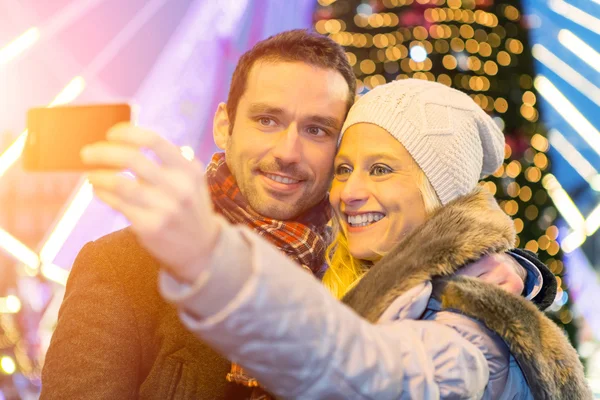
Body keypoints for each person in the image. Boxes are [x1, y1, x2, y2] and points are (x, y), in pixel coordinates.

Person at [41, 30, 554, 399]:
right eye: (267, 120)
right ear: (224, 125)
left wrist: (510, 271)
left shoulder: (359, 259)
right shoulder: (119, 265)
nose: (288, 152)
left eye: (316, 130)